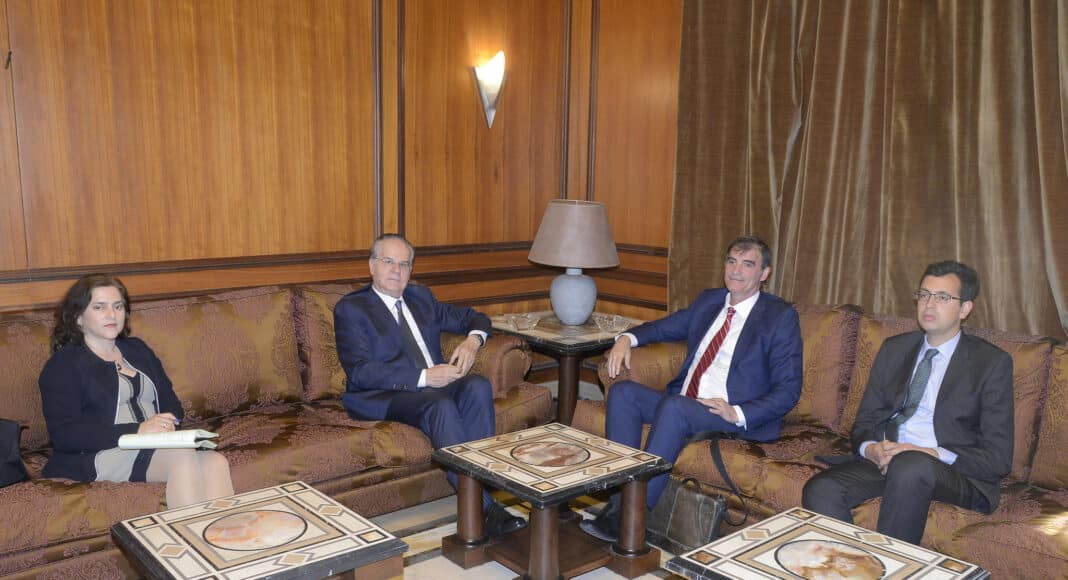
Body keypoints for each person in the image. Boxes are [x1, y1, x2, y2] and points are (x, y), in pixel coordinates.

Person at [581, 235, 803, 542]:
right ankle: (620, 501)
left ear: (764, 273)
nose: (736, 270)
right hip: (685, 403)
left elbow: (789, 389)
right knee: (623, 393)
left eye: (747, 264)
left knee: (675, 406)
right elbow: (663, 327)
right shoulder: (710, 302)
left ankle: (633, 516)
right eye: (731, 261)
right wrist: (626, 339)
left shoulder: (779, 317)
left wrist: (737, 412)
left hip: (727, 413)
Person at [802, 261, 1013, 544]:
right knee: (821, 489)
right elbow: (865, 421)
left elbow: (998, 458)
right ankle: (854, 564)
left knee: (911, 465)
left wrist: (928, 452)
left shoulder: (991, 364)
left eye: (942, 297)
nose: (929, 304)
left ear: (964, 309)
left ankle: (892, 565)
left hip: (952, 471)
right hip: (890, 459)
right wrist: (871, 449)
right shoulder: (894, 349)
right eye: (924, 295)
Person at [333, 233, 525, 537]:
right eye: (388, 261)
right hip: (383, 394)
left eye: (404, 264)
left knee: (477, 385)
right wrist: (424, 377)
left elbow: (475, 318)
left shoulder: (421, 298)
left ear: (411, 269)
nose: (397, 270)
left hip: (434, 385)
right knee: (440, 405)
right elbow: (360, 371)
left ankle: (479, 493)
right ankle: (483, 508)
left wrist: (473, 342)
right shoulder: (352, 308)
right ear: (372, 266)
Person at [39, 274, 234, 508]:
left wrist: (168, 424)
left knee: (215, 462)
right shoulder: (64, 365)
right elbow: (65, 435)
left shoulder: (138, 350)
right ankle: (190, 532)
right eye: (99, 307)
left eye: (118, 306)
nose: (111, 314)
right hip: (102, 452)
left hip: (156, 445)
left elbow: (171, 404)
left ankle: (218, 532)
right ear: (78, 317)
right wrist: (139, 430)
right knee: (182, 457)